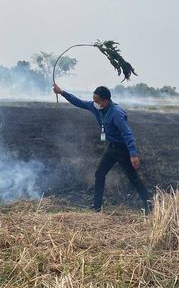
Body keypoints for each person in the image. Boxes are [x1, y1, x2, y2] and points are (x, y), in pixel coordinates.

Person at [52, 83, 151, 214]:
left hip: (123, 150)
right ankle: (97, 206)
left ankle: (149, 206)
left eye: (97, 101)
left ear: (105, 101)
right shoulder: (96, 107)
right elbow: (79, 102)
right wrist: (62, 92)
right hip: (111, 148)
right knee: (99, 173)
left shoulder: (117, 113)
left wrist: (133, 154)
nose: (94, 103)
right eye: (93, 100)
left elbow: (127, 134)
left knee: (133, 178)